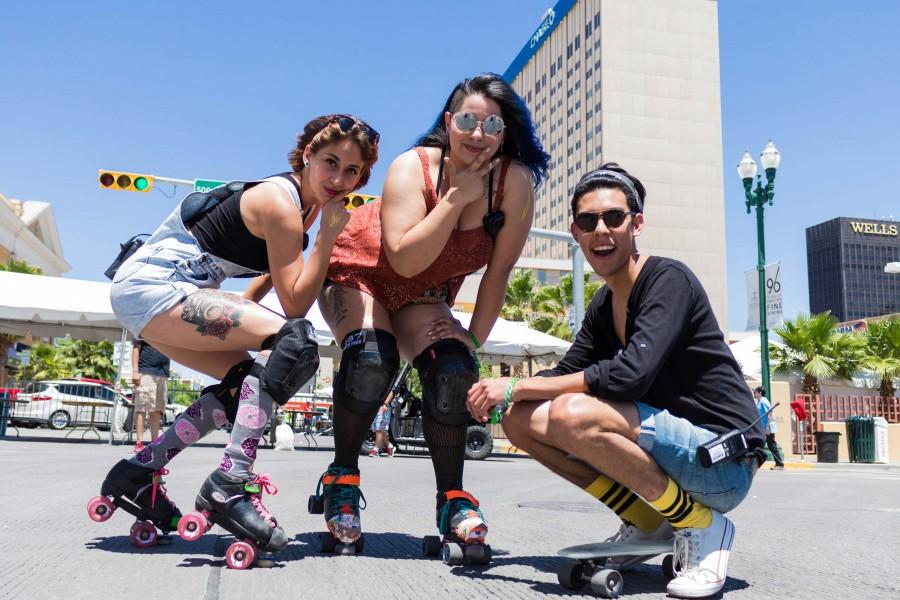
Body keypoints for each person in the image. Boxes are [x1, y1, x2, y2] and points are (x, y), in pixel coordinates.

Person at [467, 164, 765, 598]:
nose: (601, 230)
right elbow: (569, 370)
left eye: (614, 217)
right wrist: (494, 393)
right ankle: (648, 521)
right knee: (517, 421)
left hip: (721, 463)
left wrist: (517, 386)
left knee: (573, 413)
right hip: (670, 451)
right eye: (588, 221)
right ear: (575, 231)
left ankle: (703, 525)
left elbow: (629, 376)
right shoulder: (604, 304)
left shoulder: (668, 280)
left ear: (636, 223)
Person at [92, 115, 379, 554]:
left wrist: (242, 319)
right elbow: (296, 305)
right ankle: (231, 482)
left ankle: (138, 471)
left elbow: (268, 276)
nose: (339, 178)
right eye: (330, 162)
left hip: (161, 296)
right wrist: (326, 239)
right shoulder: (282, 204)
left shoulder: (305, 210)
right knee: (295, 341)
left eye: (352, 171)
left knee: (246, 382)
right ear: (307, 156)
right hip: (155, 287)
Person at [312, 73, 549, 552]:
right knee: (371, 360)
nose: (478, 134)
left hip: (424, 293)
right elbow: (402, 258)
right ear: (449, 122)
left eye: (492, 125)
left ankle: (454, 499)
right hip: (360, 272)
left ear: (505, 132)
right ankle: (342, 480)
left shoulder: (513, 182)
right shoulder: (411, 167)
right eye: (467, 120)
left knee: (454, 371)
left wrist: (473, 337)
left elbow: (499, 271)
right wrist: (458, 196)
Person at [130, 339, 171, 453]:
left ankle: (154, 442)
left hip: (163, 373)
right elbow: (135, 349)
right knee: (142, 408)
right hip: (146, 371)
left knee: (157, 409)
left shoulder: (168, 332)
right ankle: (139, 442)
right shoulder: (145, 328)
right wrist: (135, 371)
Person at [753, 386, 785, 469]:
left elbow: (769, 414)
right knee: (762, 444)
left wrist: (767, 427)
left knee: (771, 445)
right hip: (763, 428)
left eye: (755, 392)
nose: (754, 393)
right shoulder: (760, 401)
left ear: (760, 393)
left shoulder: (763, 401)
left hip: (768, 427)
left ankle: (779, 464)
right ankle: (754, 463)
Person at [368, 391, 394, 457]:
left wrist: (385, 404)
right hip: (376, 405)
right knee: (379, 430)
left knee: (379, 428)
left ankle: (375, 450)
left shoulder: (388, 380)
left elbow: (391, 392)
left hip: (383, 406)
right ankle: (390, 447)